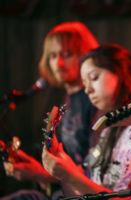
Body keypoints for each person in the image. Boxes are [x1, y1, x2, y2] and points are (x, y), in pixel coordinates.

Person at [41, 43, 131, 199]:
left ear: (120, 73)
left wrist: (72, 177)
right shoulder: (111, 127)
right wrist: (66, 175)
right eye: (85, 84)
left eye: (94, 78)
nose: (88, 90)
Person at [2, 21, 99, 199]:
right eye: (53, 56)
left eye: (67, 54)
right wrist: (36, 166)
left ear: (85, 56)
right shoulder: (68, 98)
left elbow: (94, 173)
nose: (59, 63)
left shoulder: (94, 101)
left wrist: (40, 174)